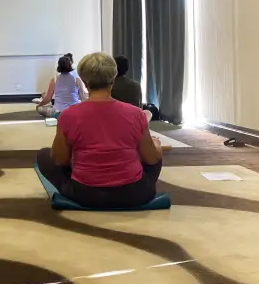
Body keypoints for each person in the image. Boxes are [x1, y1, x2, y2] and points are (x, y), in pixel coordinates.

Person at [36, 52, 164, 209]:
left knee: (43, 155)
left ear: (83, 79)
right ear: (114, 77)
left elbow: (59, 160)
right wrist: (155, 145)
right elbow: (151, 159)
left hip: (86, 195)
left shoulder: (68, 115)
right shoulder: (137, 114)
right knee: (155, 150)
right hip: (134, 194)